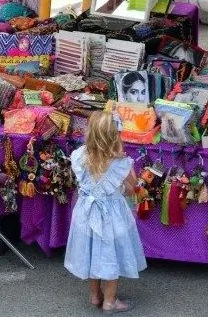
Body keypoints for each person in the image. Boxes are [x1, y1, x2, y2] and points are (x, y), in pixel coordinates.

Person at [64, 111, 146, 314]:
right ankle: (110, 302)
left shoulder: (78, 156)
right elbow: (131, 189)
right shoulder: (122, 163)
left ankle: (95, 296)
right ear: (114, 137)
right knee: (110, 256)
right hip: (112, 216)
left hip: (85, 213)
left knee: (91, 254)